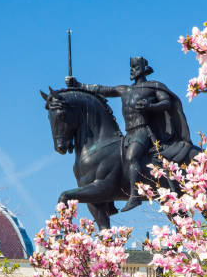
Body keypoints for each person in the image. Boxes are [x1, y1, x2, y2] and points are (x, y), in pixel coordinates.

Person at [66, 56, 191, 212]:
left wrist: (150, 105)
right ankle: (108, 199)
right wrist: (78, 85)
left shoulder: (154, 86)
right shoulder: (124, 90)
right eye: (131, 68)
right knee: (113, 160)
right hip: (129, 134)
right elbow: (102, 89)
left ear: (144, 69)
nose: (132, 71)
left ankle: (135, 196)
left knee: (132, 157)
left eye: (135, 67)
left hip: (143, 131)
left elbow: (167, 102)